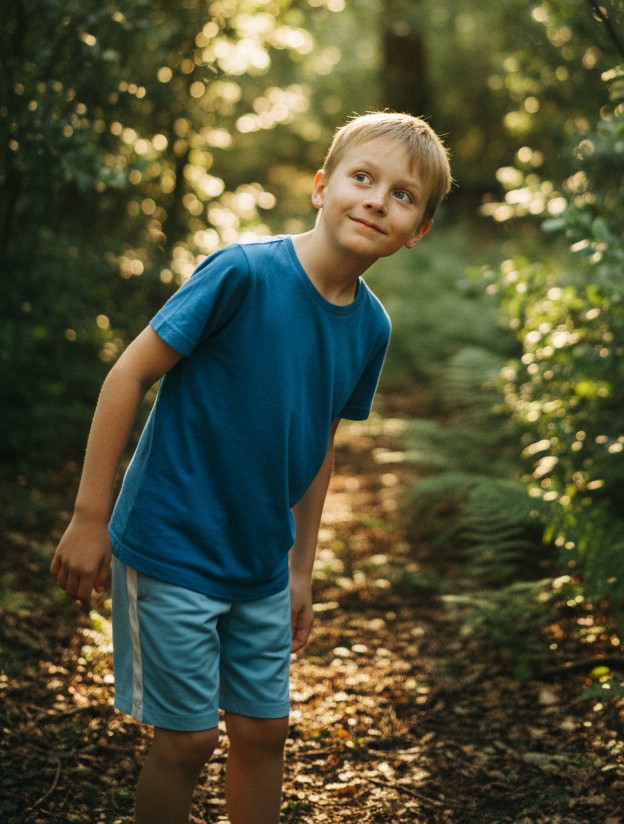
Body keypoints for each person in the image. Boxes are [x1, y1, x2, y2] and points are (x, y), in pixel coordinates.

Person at [51, 110, 452, 824]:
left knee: (264, 731)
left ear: (417, 230)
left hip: (261, 561)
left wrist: (302, 567)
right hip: (171, 544)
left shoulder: (370, 325)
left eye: (402, 195)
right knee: (189, 739)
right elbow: (126, 375)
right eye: (362, 179)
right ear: (323, 187)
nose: (376, 200)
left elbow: (318, 446)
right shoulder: (242, 273)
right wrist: (90, 519)